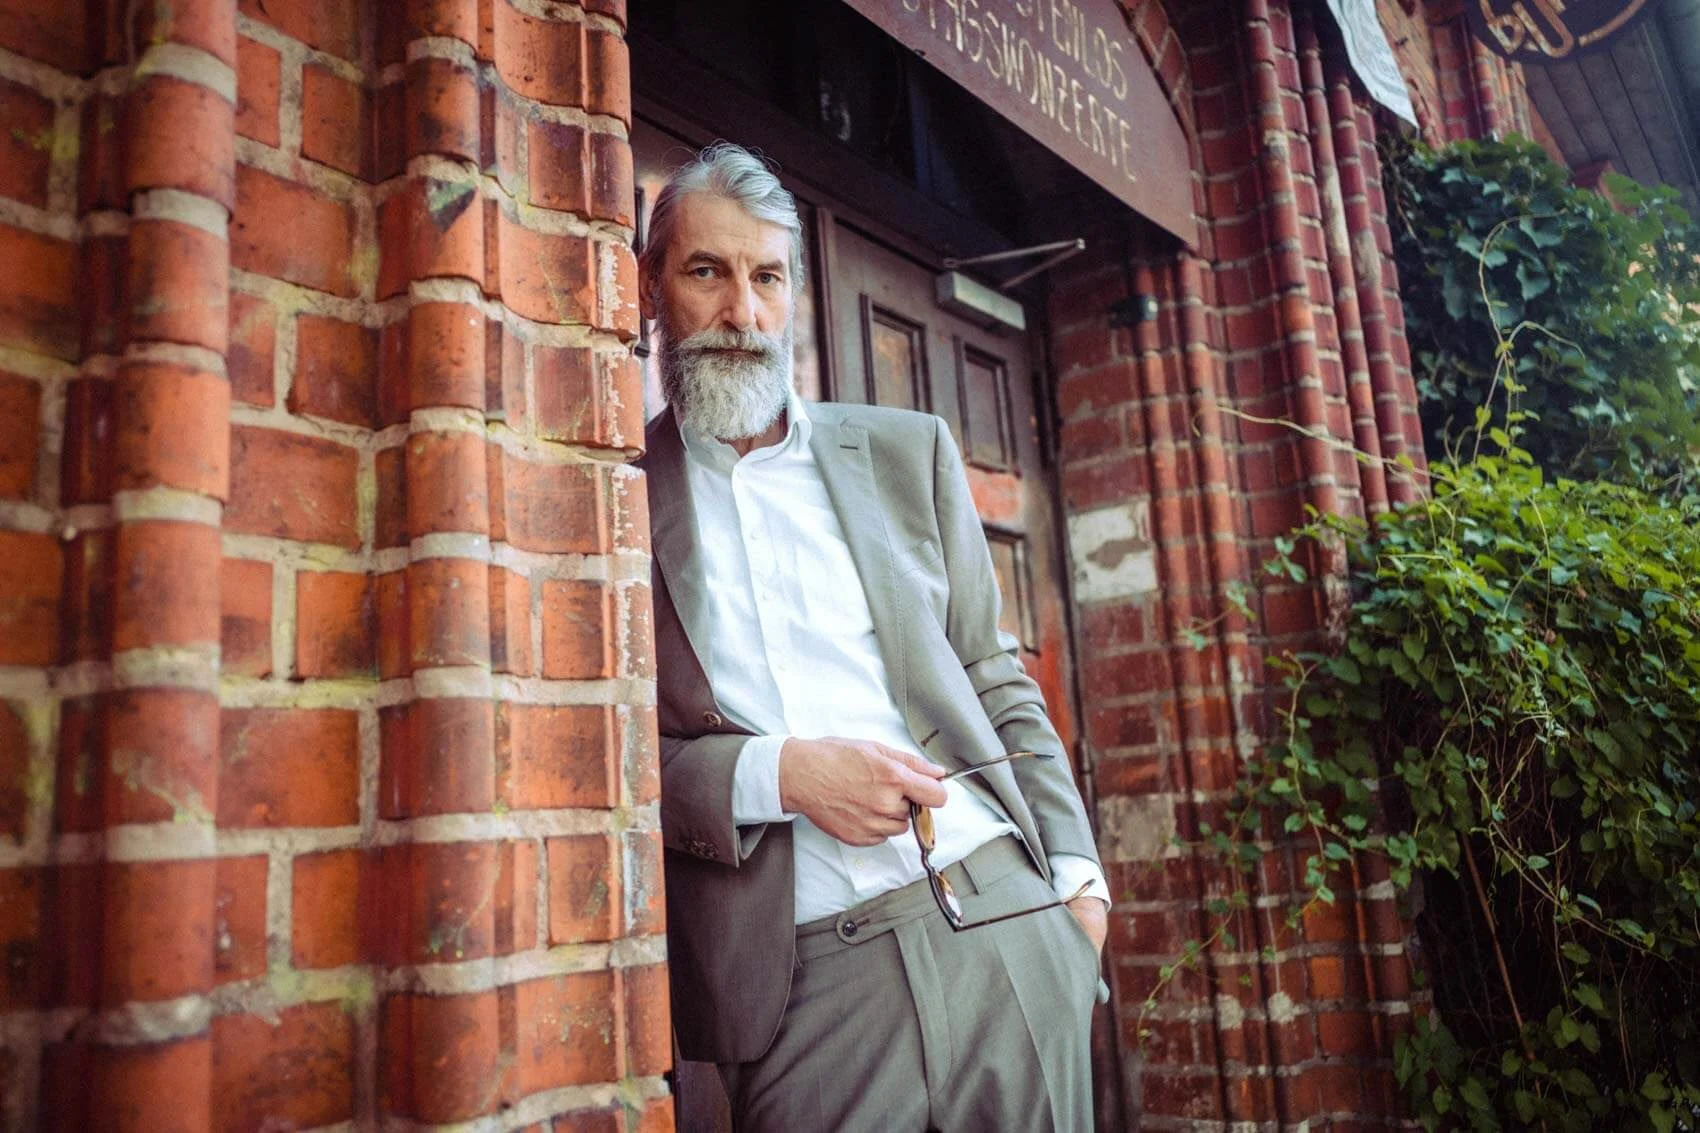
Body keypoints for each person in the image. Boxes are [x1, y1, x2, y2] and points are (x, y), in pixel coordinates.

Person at [637, 141, 1111, 1132]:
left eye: (768, 277)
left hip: (1001, 919)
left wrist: (1076, 881)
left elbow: (991, 671)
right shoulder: (618, 493)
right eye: (706, 271)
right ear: (651, 286)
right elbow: (613, 755)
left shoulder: (906, 452)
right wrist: (782, 774)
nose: (742, 312)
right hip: (804, 991)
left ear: (795, 294)